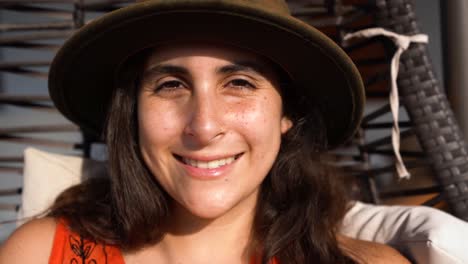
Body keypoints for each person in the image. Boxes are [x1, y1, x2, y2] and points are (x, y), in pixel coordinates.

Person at [0, 0, 410, 263]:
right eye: (172, 85)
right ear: (132, 113)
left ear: (289, 113)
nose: (204, 125)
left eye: (239, 84)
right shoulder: (40, 253)